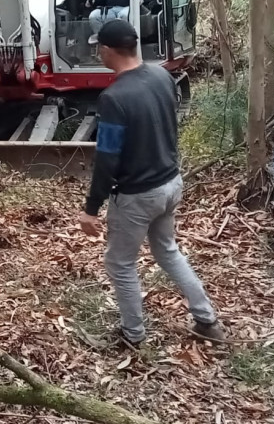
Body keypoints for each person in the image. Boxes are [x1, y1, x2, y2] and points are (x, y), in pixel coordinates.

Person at [78, 19, 225, 347]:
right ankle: (207, 320)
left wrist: (91, 209)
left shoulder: (114, 98)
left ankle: (133, 336)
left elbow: (107, 159)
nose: (97, 53)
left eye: (97, 48)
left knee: (119, 263)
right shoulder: (162, 75)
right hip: (170, 184)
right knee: (168, 251)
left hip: (138, 195)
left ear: (106, 50)